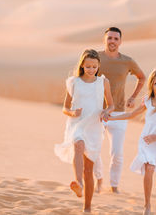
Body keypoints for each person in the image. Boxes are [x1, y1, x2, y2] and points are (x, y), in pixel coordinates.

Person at [108, 69, 156, 215]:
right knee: (149, 168)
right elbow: (131, 114)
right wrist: (111, 117)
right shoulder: (147, 101)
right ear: (152, 85)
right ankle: (147, 206)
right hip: (147, 142)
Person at [54, 49, 114, 212]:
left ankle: (87, 207)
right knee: (77, 145)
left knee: (89, 169)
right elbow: (65, 108)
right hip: (77, 123)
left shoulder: (103, 82)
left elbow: (111, 104)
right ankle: (78, 183)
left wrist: (106, 112)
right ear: (82, 65)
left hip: (94, 125)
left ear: (98, 66)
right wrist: (72, 113)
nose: (91, 69)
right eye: (88, 66)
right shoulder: (73, 82)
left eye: (94, 66)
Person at [94, 27, 146, 194]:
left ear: (120, 42)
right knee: (93, 149)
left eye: (116, 39)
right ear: (104, 40)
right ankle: (99, 179)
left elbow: (142, 77)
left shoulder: (127, 61)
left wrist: (133, 97)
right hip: (97, 112)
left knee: (117, 153)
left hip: (119, 113)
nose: (112, 41)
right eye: (109, 38)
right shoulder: (96, 57)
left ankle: (114, 186)